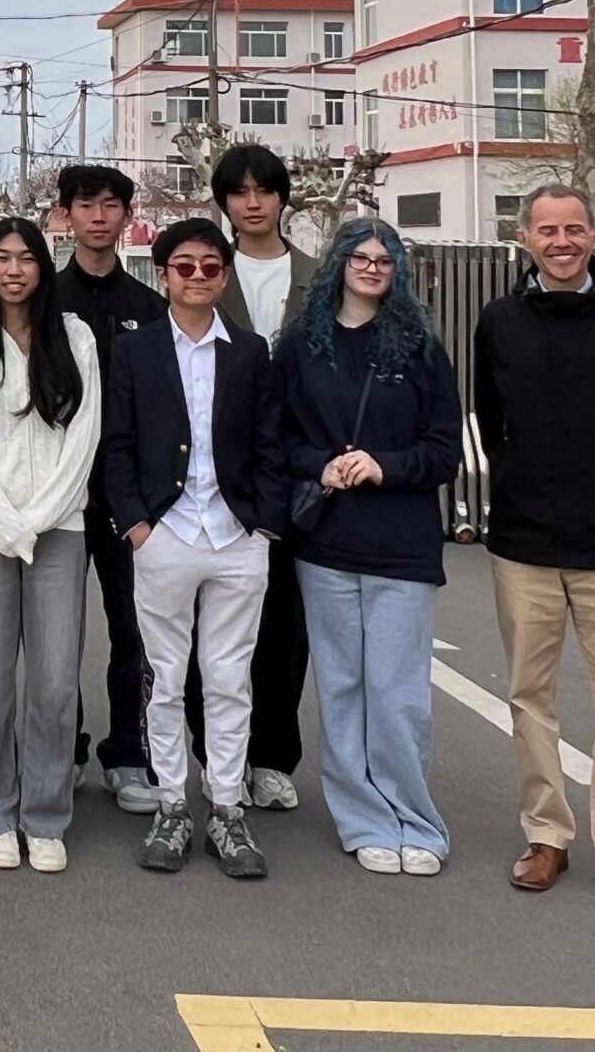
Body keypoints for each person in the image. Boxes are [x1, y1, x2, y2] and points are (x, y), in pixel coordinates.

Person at [476, 183, 595, 914]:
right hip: (523, 541)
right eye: (547, 230)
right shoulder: (498, 322)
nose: (561, 242)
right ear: (524, 238)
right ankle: (546, 836)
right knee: (530, 699)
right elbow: (490, 421)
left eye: (574, 229)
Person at [275, 218, 462, 877]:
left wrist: (385, 466)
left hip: (402, 548)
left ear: (398, 270)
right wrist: (321, 465)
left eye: (385, 259)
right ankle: (363, 820)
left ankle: (416, 820)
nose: (373, 268)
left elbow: (445, 450)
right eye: (362, 257)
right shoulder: (302, 345)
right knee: (342, 687)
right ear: (340, 263)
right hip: (325, 545)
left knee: (398, 693)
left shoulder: (419, 348)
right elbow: (278, 440)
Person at [101, 216, 285, 880]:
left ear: (225, 276)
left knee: (230, 678)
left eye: (211, 266)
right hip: (166, 532)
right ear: (164, 275)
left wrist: (263, 524)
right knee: (165, 678)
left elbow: (271, 443)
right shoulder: (136, 350)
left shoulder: (251, 351)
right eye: (185, 266)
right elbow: (117, 444)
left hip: (237, 535)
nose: (198, 276)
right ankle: (172, 804)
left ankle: (227, 808)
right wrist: (137, 527)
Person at [0, 218, 101, 874]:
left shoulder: (75, 336)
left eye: (26, 258)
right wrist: (5, 522)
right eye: (2, 258)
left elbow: (84, 436)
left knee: (55, 683)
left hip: (59, 529)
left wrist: (36, 518)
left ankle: (45, 815)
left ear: (43, 266)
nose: (14, 270)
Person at [50, 164, 170, 813]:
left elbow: (156, 413)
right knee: (58, 633)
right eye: (85, 205)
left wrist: (134, 495)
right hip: (59, 500)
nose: (98, 217)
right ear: (66, 215)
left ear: (127, 215)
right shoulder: (44, 300)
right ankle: (62, 748)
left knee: (133, 631)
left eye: (110, 206)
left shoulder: (149, 308)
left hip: (129, 505)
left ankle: (128, 753)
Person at [209, 143, 318, 815]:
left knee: (284, 624)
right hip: (222, 471)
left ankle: (273, 757)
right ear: (223, 201)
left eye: (264, 190)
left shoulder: (316, 276)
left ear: (282, 197)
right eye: (239, 192)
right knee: (218, 626)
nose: (253, 203)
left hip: (299, 473)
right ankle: (219, 756)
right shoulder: (206, 270)